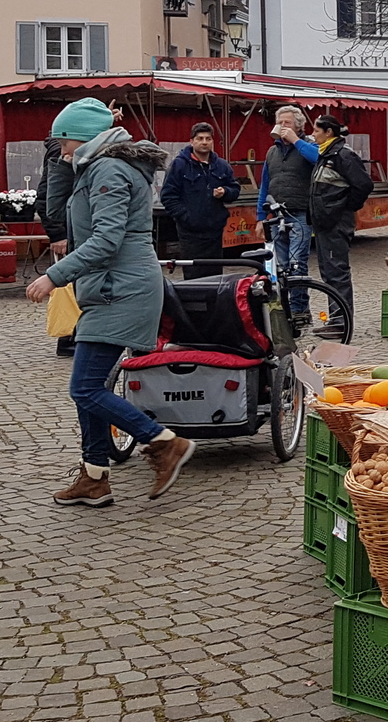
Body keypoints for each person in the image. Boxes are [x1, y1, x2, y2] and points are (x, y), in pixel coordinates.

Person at [25, 97, 194, 508]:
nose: (60, 149)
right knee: (92, 385)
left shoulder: (109, 170)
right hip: (107, 286)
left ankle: (163, 441)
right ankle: (95, 476)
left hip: (123, 287)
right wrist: (60, 161)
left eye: (63, 142)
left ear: (81, 138)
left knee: (84, 388)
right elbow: (55, 210)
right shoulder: (92, 166)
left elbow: (105, 240)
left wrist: (53, 276)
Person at [307, 113, 373, 331]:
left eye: (317, 130)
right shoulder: (325, 154)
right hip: (325, 222)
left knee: (337, 271)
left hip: (336, 222)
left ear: (329, 132)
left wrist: (345, 207)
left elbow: (363, 185)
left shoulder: (343, 155)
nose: (313, 134)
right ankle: (335, 319)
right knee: (329, 272)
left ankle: (341, 321)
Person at [255, 105, 318, 319]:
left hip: (300, 213)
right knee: (280, 266)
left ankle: (300, 309)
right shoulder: (272, 151)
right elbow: (265, 184)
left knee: (296, 263)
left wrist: (295, 140)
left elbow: (318, 158)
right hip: (277, 215)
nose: (282, 126)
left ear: (298, 126)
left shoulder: (308, 144)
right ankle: (285, 309)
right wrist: (260, 218)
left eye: (287, 123)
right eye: (280, 122)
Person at [160, 122, 243, 263]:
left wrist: (225, 192)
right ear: (191, 141)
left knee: (215, 276)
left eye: (208, 139)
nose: (204, 142)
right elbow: (168, 196)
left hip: (215, 231)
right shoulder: (179, 165)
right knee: (194, 276)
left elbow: (235, 190)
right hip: (190, 233)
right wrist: (186, 217)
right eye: (200, 138)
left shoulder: (221, 165)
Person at [39, 134, 77, 357]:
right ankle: (67, 337)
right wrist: (57, 234)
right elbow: (46, 197)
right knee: (67, 287)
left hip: (74, 229)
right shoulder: (60, 152)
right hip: (66, 230)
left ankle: (74, 335)